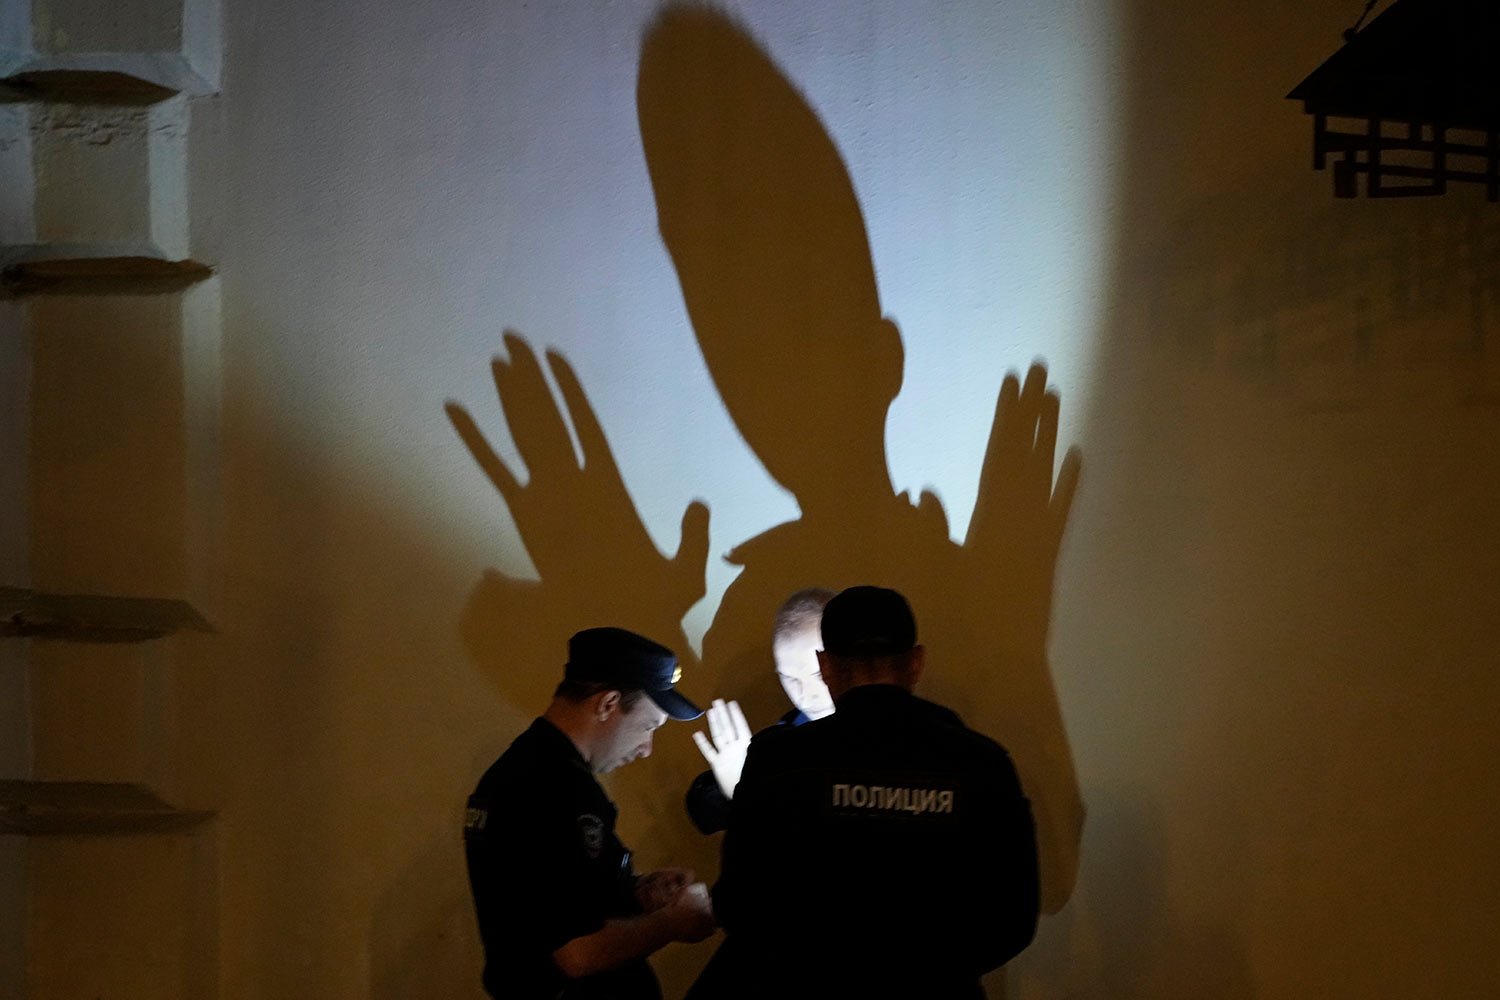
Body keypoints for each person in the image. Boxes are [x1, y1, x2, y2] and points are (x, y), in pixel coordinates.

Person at [694, 586, 1039, 999]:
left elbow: (739, 905)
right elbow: (1013, 920)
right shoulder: (983, 763)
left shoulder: (778, 758)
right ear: (916, 663)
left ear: (826, 666)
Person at [464, 627, 718, 999]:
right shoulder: (549, 787)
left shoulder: (540, 771)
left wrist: (636, 893)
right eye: (648, 726)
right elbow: (577, 953)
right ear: (607, 703)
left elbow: (558, 896)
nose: (646, 748)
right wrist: (672, 923)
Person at [684, 587, 836, 834]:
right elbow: (707, 813)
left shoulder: (895, 734)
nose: (805, 694)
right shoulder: (782, 742)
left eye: (818, 674)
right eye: (789, 678)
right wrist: (736, 785)